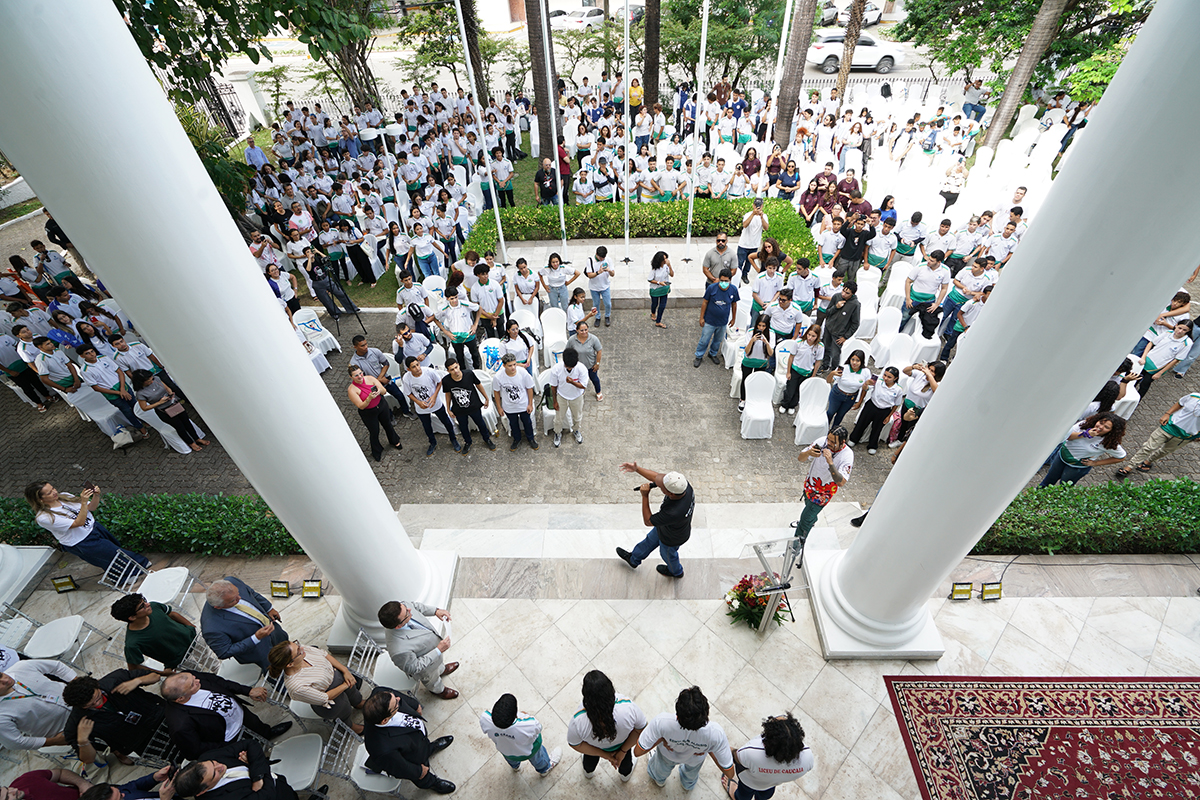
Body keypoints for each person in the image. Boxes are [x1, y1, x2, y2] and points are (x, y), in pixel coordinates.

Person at [161, 671, 288, 761]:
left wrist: (247, 691)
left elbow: (218, 682)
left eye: (194, 678)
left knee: (259, 726)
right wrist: (228, 748)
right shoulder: (179, 724)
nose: (198, 680)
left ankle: (267, 733)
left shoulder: (189, 678)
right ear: (181, 698)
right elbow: (195, 750)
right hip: (229, 739)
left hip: (241, 714)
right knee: (253, 756)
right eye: (193, 685)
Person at [25, 481, 149, 571]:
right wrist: (83, 502)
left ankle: (134, 568)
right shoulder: (44, 517)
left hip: (94, 528)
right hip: (81, 540)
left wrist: (96, 495)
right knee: (112, 555)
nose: (54, 492)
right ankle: (138, 567)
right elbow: (78, 523)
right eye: (49, 493)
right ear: (40, 499)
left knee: (114, 549)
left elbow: (92, 508)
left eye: (53, 489)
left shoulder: (65, 496)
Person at [634, 686, 734, 790]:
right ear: (706, 715)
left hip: (668, 755)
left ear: (677, 715)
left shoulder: (662, 722)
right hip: (695, 759)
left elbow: (638, 752)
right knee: (691, 774)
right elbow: (730, 773)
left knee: (660, 770)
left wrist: (662, 739)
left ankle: (659, 781)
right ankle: (687, 785)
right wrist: (708, 748)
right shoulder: (715, 734)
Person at [361, 688, 455, 794]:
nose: (398, 699)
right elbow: (401, 768)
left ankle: (430, 748)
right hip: (412, 757)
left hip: (417, 738)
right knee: (423, 776)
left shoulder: (378, 694)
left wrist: (415, 705)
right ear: (385, 720)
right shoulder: (383, 749)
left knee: (423, 745)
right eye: (396, 703)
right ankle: (432, 782)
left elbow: (395, 694)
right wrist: (419, 772)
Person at [62, 671, 165, 768]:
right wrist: (82, 740)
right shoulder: (76, 723)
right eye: (91, 705)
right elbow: (88, 759)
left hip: (160, 716)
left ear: (97, 685)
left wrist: (138, 680)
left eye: (98, 697)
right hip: (141, 742)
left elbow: (156, 676)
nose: (98, 703)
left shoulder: (115, 679)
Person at [615, 463, 695, 579]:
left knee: (667, 555)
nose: (659, 486)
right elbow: (657, 477)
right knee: (648, 541)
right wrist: (637, 469)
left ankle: (676, 572)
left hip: (672, 538)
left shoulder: (673, 512)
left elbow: (648, 521)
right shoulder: (684, 486)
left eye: (662, 487)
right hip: (665, 527)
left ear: (670, 493)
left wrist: (645, 496)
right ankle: (633, 559)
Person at [267, 640, 363, 733]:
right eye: (298, 650)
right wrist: (346, 685)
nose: (302, 648)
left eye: (297, 645)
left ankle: (358, 702)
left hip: (338, 677)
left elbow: (324, 654)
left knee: (353, 693)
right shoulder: (296, 686)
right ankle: (350, 726)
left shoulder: (302, 650)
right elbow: (324, 698)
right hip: (332, 700)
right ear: (290, 664)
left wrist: (345, 671)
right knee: (344, 711)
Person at [173, 738, 316, 800]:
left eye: (213, 763)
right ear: (202, 791)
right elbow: (267, 796)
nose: (220, 766)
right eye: (215, 772)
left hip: (278, 783)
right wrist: (256, 765)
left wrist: (257, 776)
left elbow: (250, 744)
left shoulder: (207, 756)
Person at [567, 670, 646, 781]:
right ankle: (625, 776)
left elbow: (574, 744)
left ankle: (588, 773)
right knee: (626, 764)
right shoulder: (628, 708)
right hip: (622, 746)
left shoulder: (578, 721)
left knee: (589, 762)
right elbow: (641, 729)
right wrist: (622, 751)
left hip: (595, 748)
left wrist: (604, 754)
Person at [200, 577, 289, 673]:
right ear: (218, 607)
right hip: (259, 651)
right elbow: (224, 652)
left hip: (274, 631)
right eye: (233, 600)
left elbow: (251, 593)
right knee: (275, 670)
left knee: (287, 649)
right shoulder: (211, 628)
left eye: (238, 593)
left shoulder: (232, 581)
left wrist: (268, 608)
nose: (240, 598)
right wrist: (256, 637)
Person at [377, 600, 457, 700]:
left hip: (434, 651)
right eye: (407, 613)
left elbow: (415, 606)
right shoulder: (398, 650)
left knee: (438, 666)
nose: (409, 610)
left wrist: (435, 611)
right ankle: (440, 691)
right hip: (427, 669)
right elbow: (415, 667)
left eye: (406, 608)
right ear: (398, 626)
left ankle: (442, 669)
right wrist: (438, 650)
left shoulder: (402, 608)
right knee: (433, 680)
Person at [724, 713, 813, 800]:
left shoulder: (752, 752)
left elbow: (736, 757)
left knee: (743, 795)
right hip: (770, 785)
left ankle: (737, 797)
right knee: (765, 795)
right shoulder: (807, 758)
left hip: (749, 781)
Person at [1117, 392, 1200, 478]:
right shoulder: (1193, 396)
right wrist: (1167, 414)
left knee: (1164, 451)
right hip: (1168, 426)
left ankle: (1148, 461)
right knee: (1148, 447)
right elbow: (1180, 403)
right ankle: (1129, 467)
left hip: (1185, 436)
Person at [109, 593, 197, 673]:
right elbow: (134, 667)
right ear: (132, 617)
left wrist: (191, 626)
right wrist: (162, 673)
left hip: (194, 638)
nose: (148, 604)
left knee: (207, 659)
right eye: (142, 606)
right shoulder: (132, 643)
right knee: (198, 673)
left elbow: (172, 614)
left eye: (145, 601)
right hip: (182, 660)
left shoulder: (154, 607)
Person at [794, 427, 853, 543]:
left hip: (823, 494)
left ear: (842, 442)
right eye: (828, 439)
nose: (828, 443)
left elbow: (841, 482)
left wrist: (830, 462)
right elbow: (800, 458)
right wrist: (808, 453)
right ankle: (811, 520)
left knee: (804, 520)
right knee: (808, 506)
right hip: (810, 485)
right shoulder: (821, 442)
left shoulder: (847, 455)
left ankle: (796, 546)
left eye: (832, 442)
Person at [0, 659, 76, 750]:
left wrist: (77, 682)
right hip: (68, 728)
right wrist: (54, 741)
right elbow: (14, 743)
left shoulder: (21, 667)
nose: (5, 679)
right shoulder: (1, 716)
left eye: (0, 675)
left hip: (80, 700)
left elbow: (56, 666)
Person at [479, 693, 561, 775]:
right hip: (530, 751)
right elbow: (538, 728)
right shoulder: (529, 724)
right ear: (516, 714)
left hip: (507, 752)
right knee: (539, 759)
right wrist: (524, 715)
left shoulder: (484, 718)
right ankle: (544, 769)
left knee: (511, 760)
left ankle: (516, 767)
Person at [1040, 412, 1127, 487]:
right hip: (1061, 457)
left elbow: (1121, 457)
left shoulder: (1109, 442)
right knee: (1048, 480)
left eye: (1106, 427)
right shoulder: (1085, 424)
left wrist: (1095, 463)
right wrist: (1085, 434)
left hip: (1076, 468)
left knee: (1064, 487)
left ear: (1111, 431)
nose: (1100, 427)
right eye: (1100, 422)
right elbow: (1066, 437)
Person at [131, 370, 208, 451]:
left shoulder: (156, 379)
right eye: (149, 381)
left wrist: (170, 394)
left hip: (173, 404)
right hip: (163, 411)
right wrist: (159, 402)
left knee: (187, 422)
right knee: (180, 427)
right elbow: (144, 408)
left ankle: (197, 438)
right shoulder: (141, 393)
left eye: (152, 379)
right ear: (141, 382)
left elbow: (167, 388)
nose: (152, 381)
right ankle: (191, 443)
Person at [402, 356, 461, 457]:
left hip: (436, 404)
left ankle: (453, 439)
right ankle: (432, 443)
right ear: (408, 369)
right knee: (427, 426)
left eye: (417, 365)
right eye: (413, 367)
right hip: (421, 408)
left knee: (446, 421)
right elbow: (408, 393)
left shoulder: (429, 371)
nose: (417, 368)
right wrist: (418, 402)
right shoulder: (406, 378)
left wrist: (434, 396)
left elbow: (439, 382)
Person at [440, 356, 496, 455]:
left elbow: (478, 385)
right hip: (459, 409)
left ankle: (487, 439)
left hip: (474, 406)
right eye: (452, 369)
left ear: (459, 365)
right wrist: (448, 409)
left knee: (481, 423)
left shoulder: (469, 374)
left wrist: (487, 398)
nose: (455, 371)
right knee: (463, 427)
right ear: (448, 371)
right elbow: (448, 394)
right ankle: (468, 442)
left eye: (456, 367)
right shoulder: (446, 380)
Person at [348, 364, 403, 462]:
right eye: (356, 375)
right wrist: (369, 399)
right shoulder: (352, 390)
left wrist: (379, 391)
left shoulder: (370, 378)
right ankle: (376, 451)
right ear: (351, 377)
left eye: (360, 373)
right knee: (374, 432)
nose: (360, 376)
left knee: (388, 424)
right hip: (368, 412)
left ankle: (394, 441)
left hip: (381, 405)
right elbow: (361, 406)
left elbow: (384, 391)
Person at [848, 366, 904, 454]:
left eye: (889, 377)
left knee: (877, 429)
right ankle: (854, 438)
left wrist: (889, 416)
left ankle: (872, 445)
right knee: (861, 423)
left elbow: (896, 404)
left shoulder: (898, 390)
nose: (885, 378)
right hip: (872, 405)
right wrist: (867, 383)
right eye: (885, 375)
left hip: (884, 410)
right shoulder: (878, 381)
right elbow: (865, 389)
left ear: (895, 378)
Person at [492, 354, 539, 451]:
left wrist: (530, 404)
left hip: (523, 405)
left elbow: (529, 388)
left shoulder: (523, 373)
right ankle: (517, 439)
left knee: (527, 422)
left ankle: (531, 438)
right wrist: (499, 407)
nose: (513, 367)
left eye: (514, 364)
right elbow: (496, 392)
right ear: (504, 365)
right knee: (513, 424)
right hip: (509, 406)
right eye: (510, 365)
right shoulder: (498, 377)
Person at [695, 268, 740, 368]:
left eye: (726, 281)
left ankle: (713, 353)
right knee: (704, 339)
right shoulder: (712, 288)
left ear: (730, 280)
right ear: (719, 279)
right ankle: (699, 355)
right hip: (709, 321)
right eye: (722, 280)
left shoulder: (733, 290)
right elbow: (705, 302)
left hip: (723, 322)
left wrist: (733, 319)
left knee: (718, 340)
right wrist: (701, 318)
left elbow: (734, 304)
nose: (724, 283)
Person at [1136, 321, 1194, 398]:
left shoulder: (1187, 343)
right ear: (1176, 325)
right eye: (1179, 328)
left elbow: (1176, 360)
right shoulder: (1168, 333)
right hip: (1146, 361)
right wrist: (1143, 357)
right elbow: (1151, 343)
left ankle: (1135, 403)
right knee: (1134, 379)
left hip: (1157, 367)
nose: (1180, 331)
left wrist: (1160, 373)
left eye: (1184, 330)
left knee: (1144, 385)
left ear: (1189, 331)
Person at [901, 250, 951, 338]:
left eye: (932, 261)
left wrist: (937, 304)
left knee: (925, 321)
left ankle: (914, 338)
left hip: (929, 300)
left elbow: (944, 288)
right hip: (913, 298)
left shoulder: (945, 271)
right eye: (929, 258)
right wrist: (908, 298)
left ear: (939, 262)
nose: (928, 261)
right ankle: (898, 333)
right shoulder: (920, 267)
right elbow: (908, 281)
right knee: (904, 318)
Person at [432, 286, 481, 373]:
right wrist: (446, 332)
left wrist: (475, 324)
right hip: (455, 336)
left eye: (456, 297)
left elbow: (479, 308)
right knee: (459, 356)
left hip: (468, 334)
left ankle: (477, 371)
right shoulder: (444, 308)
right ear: (447, 299)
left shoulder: (465, 304)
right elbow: (435, 318)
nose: (455, 300)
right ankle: (463, 373)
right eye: (452, 299)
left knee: (475, 354)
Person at [779, 325, 824, 415]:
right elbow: (791, 357)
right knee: (790, 390)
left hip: (807, 372)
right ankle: (785, 404)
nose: (810, 338)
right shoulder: (798, 342)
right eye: (809, 335)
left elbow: (818, 362)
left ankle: (792, 405)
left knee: (799, 391)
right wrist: (788, 372)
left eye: (813, 336)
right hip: (795, 370)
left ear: (817, 337)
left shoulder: (820, 347)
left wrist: (813, 375)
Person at [549, 348, 588, 447]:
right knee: (558, 419)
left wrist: (572, 382)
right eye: (567, 367)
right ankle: (557, 433)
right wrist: (555, 401)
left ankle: (576, 430)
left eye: (572, 367)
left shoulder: (582, 368)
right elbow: (553, 387)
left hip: (577, 397)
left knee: (577, 417)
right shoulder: (556, 369)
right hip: (561, 397)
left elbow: (583, 385)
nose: (569, 369)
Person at [818, 279, 860, 372]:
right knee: (825, 348)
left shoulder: (855, 305)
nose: (844, 294)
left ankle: (834, 370)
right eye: (843, 291)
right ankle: (825, 365)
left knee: (835, 354)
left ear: (852, 294)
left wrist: (845, 337)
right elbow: (828, 312)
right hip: (829, 328)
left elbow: (855, 323)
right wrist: (835, 307)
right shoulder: (836, 297)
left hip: (839, 334)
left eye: (847, 293)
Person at [825, 350, 870, 427]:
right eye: (852, 359)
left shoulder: (866, 372)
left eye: (857, 360)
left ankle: (833, 431)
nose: (854, 363)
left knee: (840, 415)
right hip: (837, 394)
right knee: (830, 412)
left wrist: (860, 402)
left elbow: (865, 389)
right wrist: (832, 373)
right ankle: (824, 429)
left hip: (851, 397)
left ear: (862, 361)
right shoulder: (843, 368)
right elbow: (829, 381)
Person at [568, 321, 604, 400]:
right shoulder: (572, 340)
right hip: (577, 367)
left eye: (586, 329)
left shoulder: (593, 339)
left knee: (594, 379)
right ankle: (581, 391)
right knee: (579, 380)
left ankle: (598, 392)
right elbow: (568, 351)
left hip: (590, 365)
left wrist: (597, 363)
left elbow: (599, 351)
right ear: (577, 330)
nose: (584, 332)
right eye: (582, 330)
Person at [738, 199, 769, 284]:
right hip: (743, 244)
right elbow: (745, 225)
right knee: (740, 262)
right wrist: (753, 214)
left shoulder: (764, 216)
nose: (757, 207)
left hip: (754, 244)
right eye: (756, 205)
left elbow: (766, 228)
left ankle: (744, 275)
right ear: (753, 205)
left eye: (759, 205)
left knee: (749, 262)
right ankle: (737, 277)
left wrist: (761, 217)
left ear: (762, 206)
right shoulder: (748, 214)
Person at [584, 246, 614, 327]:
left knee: (608, 304)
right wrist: (599, 272)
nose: (602, 259)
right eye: (600, 257)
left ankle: (607, 316)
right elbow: (589, 275)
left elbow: (613, 274)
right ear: (596, 254)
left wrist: (609, 270)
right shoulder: (590, 260)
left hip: (605, 286)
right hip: (594, 287)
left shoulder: (608, 260)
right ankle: (597, 317)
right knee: (596, 304)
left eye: (603, 257)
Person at [648, 250, 674, 328]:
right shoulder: (654, 269)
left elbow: (672, 274)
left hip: (664, 288)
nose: (666, 260)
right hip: (656, 289)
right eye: (664, 259)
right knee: (655, 303)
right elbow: (650, 279)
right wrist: (659, 282)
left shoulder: (666, 267)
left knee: (662, 306)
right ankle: (653, 313)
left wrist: (670, 266)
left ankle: (658, 321)